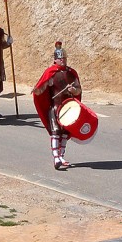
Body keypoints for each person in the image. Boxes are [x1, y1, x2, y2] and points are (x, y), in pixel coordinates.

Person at [32, 41, 82, 171]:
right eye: (60, 58)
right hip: (55, 107)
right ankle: (56, 158)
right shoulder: (51, 73)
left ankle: (61, 156)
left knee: (65, 133)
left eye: (64, 58)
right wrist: (36, 90)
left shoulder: (71, 73)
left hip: (69, 107)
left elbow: (78, 90)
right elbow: (41, 88)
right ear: (55, 59)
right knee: (56, 133)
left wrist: (73, 91)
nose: (63, 60)